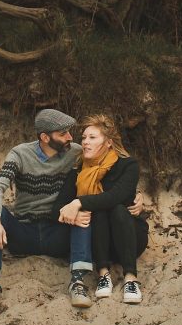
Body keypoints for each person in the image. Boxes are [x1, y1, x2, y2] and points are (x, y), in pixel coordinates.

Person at [0, 109, 96, 312]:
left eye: (69, 132)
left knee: (81, 213)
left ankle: (77, 282)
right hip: (24, 233)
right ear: (44, 137)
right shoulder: (20, 154)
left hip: (58, 232)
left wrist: (134, 194)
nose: (69, 137)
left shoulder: (75, 152)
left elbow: (109, 161)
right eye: (63, 133)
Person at [53, 114, 149, 304]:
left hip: (129, 239)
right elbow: (57, 208)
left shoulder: (128, 165)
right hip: (96, 243)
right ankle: (103, 274)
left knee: (116, 208)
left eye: (92, 137)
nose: (85, 142)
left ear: (108, 143)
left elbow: (117, 196)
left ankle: (131, 278)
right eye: (84, 138)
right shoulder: (79, 171)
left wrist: (78, 202)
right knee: (99, 210)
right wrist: (74, 216)